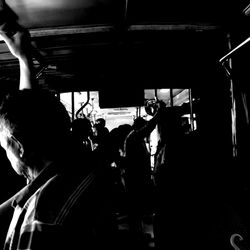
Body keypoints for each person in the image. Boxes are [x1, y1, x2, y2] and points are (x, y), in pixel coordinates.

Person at [0, 23, 118, 250]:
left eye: (4, 145)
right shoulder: (78, 171)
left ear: (19, 147)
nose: (5, 152)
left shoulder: (41, 219)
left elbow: (29, 121)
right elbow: (32, 119)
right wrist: (24, 60)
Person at [122, 102, 164, 246]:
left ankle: (138, 234)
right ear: (139, 127)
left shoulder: (134, 138)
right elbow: (149, 127)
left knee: (137, 210)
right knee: (135, 210)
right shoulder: (134, 137)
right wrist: (159, 114)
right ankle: (136, 237)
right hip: (135, 179)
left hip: (137, 178)